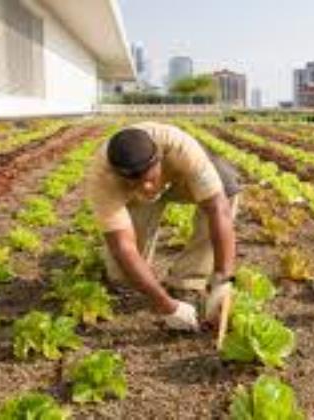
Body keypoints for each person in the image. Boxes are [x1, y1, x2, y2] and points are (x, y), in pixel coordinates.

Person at [86, 121, 241, 332]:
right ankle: (138, 281)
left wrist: (223, 278)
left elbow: (217, 209)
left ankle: (188, 280)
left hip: (180, 178)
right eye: (135, 181)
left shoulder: (181, 148)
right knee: (122, 275)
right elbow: (123, 247)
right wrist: (167, 306)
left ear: (159, 158)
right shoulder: (102, 178)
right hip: (132, 195)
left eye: (149, 178)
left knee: (226, 191)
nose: (147, 186)